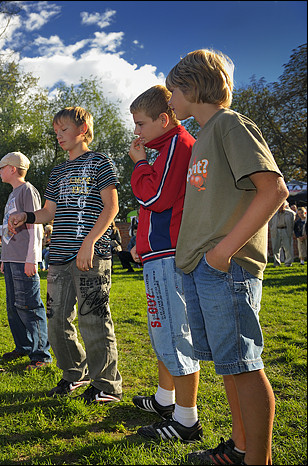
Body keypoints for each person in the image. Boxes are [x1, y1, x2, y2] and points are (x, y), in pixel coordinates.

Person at [167, 49, 289, 465]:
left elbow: (273, 189)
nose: (169, 101)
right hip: (203, 267)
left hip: (225, 267)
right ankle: (239, 450)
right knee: (229, 364)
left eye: (172, 92)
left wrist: (222, 252)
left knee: (244, 364)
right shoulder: (204, 134)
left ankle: (258, 459)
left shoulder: (230, 124)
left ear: (191, 86)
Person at [8, 106, 123, 404]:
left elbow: (112, 208)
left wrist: (89, 242)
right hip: (59, 254)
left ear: (83, 129)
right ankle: (75, 374)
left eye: (64, 129)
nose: (58, 135)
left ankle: (107, 386)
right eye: (56, 131)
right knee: (57, 321)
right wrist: (26, 216)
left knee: (94, 319)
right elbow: (49, 211)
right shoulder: (58, 171)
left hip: (91, 254)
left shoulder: (101, 162)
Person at [126, 85, 202, 443]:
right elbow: (155, 205)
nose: (137, 132)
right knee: (162, 331)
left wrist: (139, 163)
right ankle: (164, 400)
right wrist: (141, 243)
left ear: (163, 119)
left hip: (170, 256)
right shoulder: (163, 147)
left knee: (175, 333)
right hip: (158, 253)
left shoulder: (177, 145)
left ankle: (187, 421)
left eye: (140, 124)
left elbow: (154, 196)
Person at [0, 151, 51, 370]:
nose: (0, 171)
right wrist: (4, 259)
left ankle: (41, 356)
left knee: (29, 306)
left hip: (23, 260)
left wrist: (32, 259)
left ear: (13, 169)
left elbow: (36, 226)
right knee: (13, 306)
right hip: (11, 259)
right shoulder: (13, 193)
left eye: (2, 167)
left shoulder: (27, 190)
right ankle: (24, 346)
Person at [269, 200, 295, 266]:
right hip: (276, 230)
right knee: (275, 248)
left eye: (282, 205)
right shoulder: (273, 213)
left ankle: (288, 263)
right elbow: (270, 223)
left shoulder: (290, 213)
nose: (280, 207)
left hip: (286, 230)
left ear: (285, 206)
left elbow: (293, 223)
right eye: (279, 205)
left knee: (288, 247)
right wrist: (272, 229)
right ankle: (276, 262)